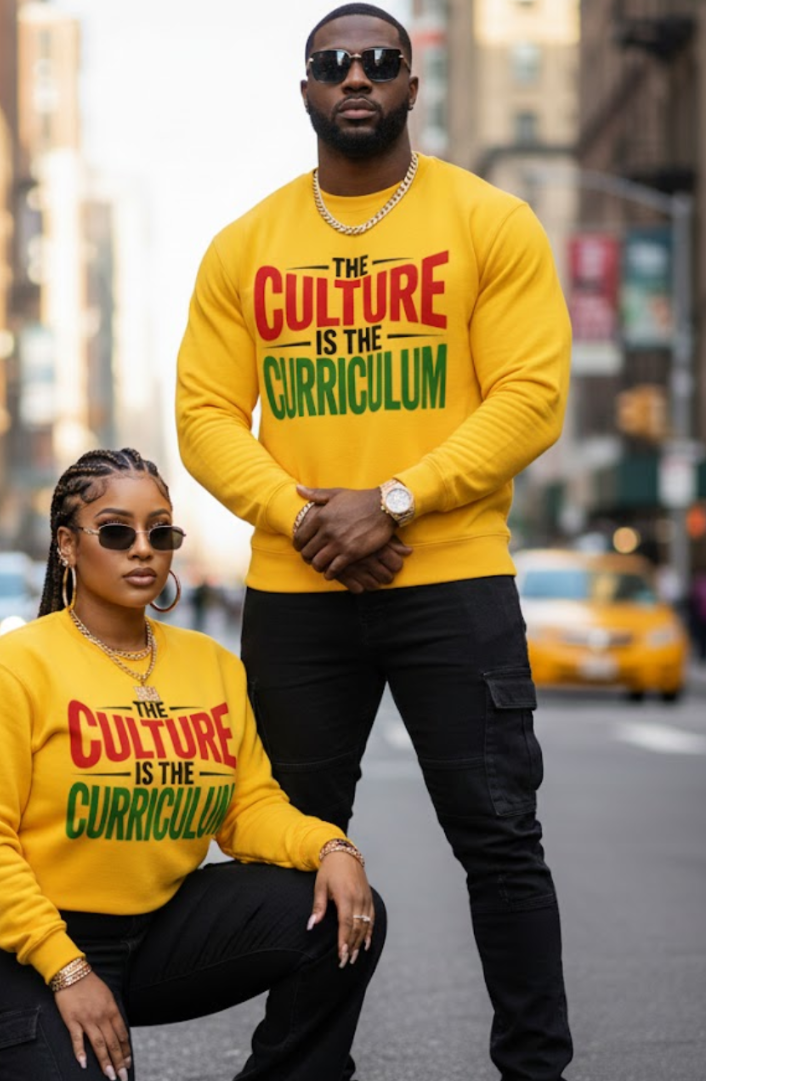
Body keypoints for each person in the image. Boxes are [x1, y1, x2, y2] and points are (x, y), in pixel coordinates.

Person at [174, 5, 574, 1079]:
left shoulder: (489, 222)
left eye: (380, 62)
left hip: (453, 581)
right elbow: (205, 413)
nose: (357, 77)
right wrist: (307, 516)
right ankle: (305, 1068)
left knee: (499, 843)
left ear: (411, 86)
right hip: (296, 589)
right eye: (333, 64)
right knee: (296, 841)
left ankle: (536, 1068)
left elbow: (532, 396)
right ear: (304, 89)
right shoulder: (245, 246)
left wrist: (393, 499)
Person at [0, 447, 386, 1081]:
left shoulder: (212, 666)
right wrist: (66, 966)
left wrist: (332, 848)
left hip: (153, 936)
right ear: (67, 544)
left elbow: (247, 807)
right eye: (117, 532)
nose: (142, 548)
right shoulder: (13, 669)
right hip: (15, 950)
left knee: (344, 907)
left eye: (159, 531)